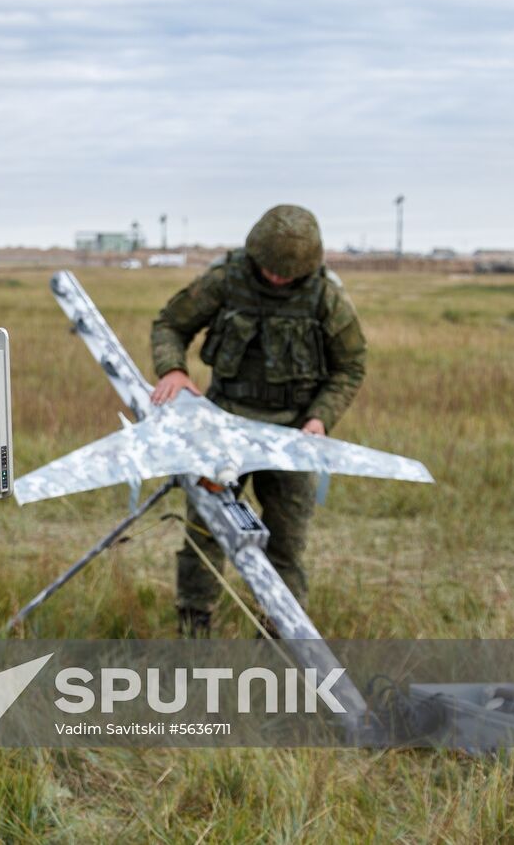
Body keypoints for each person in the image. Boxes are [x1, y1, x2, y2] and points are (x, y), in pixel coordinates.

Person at [148, 205, 366, 637]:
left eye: (288, 274)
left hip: (292, 435)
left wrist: (321, 418)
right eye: (270, 270)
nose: (277, 279)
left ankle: (278, 634)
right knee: (206, 529)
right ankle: (195, 626)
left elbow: (350, 367)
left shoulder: (326, 298)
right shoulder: (227, 279)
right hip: (223, 424)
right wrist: (173, 369)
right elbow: (171, 324)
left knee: (286, 539)